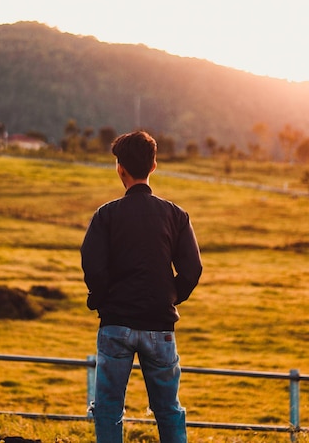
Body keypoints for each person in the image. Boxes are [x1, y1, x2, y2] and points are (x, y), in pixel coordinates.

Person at [81, 130, 202, 443]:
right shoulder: (176, 215)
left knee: (107, 409)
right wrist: (169, 297)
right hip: (159, 326)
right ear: (154, 165)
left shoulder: (105, 215)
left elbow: (93, 265)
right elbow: (192, 269)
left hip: (115, 326)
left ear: (119, 168)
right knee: (168, 410)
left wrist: (103, 299)